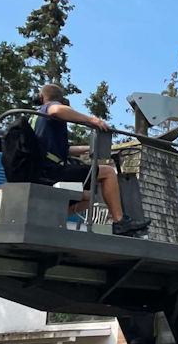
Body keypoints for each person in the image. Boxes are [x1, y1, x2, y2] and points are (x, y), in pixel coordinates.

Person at [34, 83, 150, 236]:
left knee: (89, 197)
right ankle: (119, 221)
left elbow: (66, 151)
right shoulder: (49, 108)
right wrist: (92, 120)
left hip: (42, 168)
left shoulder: (37, 119)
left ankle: (49, 219)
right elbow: (56, 109)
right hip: (51, 170)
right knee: (108, 172)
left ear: (40, 98)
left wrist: (90, 147)